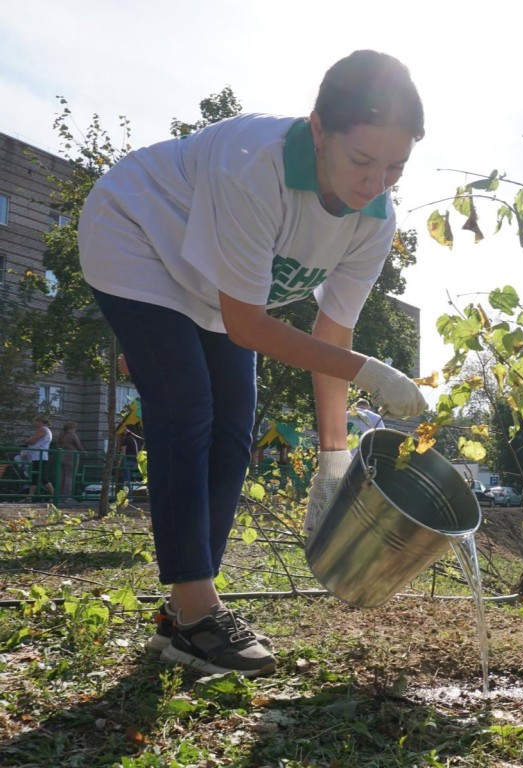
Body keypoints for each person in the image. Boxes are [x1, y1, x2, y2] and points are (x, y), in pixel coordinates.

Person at [78, 50, 428, 678]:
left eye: (395, 167)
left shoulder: (374, 219)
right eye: (361, 160)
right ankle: (195, 610)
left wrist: (333, 458)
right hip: (136, 236)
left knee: (236, 426)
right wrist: (372, 373)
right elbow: (249, 325)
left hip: (213, 287)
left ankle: (188, 612)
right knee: (187, 408)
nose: (375, 185)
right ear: (319, 129)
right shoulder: (255, 165)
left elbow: (332, 331)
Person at [23, 415, 54, 499]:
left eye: (35, 421)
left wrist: (26, 441)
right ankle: (29, 497)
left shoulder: (42, 429)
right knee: (35, 477)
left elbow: (32, 441)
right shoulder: (46, 430)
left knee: (42, 477)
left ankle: (53, 496)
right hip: (38, 456)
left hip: (38, 456)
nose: (34, 423)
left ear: (40, 421)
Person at [55, 421, 85, 502]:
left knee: (62, 477)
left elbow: (58, 445)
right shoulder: (72, 435)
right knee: (69, 477)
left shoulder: (62, 435)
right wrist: (84, 452)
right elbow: (78, 446)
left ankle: (60, 496)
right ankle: (67, 496)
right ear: (72, 428)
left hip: (62, 457)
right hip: (72, 457)